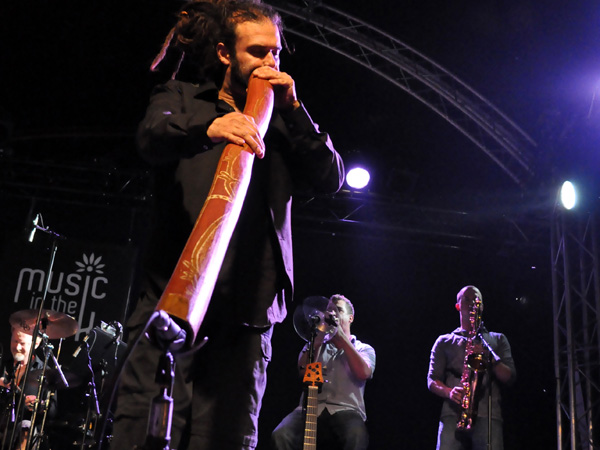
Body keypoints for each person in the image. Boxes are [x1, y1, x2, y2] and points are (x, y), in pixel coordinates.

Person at [111, 1, 344, 449]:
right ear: (224, 53)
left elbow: (330, 177)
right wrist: (212, 127)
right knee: (141, 433)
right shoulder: (181, 97)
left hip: (247, 319)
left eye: (275, 52)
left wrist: (295, 109)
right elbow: (150, 136)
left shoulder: (285, 121)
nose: (270, 62)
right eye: (257, 52)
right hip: (170, 305)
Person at [271, 294, 375, 450]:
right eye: (329, 311)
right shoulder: (315, 343)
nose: (332, 314)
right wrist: (318, 339)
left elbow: (364, 373)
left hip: (346, 410)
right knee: (280, 434)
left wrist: (341, 337)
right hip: (310, 409)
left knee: (356, 435)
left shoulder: (363, 348)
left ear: (350, 318)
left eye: (338, 310)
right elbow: (302, 372)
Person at [427, 285, 516, 450]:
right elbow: (432, 380)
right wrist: (449, 392)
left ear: (482, 307)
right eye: (467, 299)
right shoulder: (444, 341)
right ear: (458, 306)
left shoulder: (498, 339)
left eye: (476, 300)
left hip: (488, 415)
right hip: (453, 414)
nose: (472, 303)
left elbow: (509, 377)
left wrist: (490, 358)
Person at [0, 325, 55, 450]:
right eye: (15, 341)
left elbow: (52, 411)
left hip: (20, 429)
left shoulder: (45, 372)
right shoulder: (3, 364)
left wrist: (39, 405)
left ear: (36, 344)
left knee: (26, 425)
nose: (17, 347)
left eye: (22, 343)